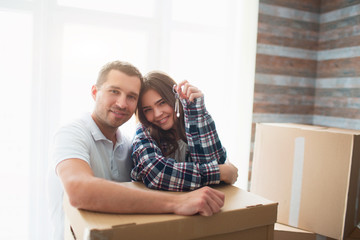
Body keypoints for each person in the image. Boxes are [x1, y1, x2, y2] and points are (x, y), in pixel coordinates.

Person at [47, 61, 226, 240]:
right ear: (95, 92)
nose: (122, 103)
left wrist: (196, 113)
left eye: (131, 96)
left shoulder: (126, 144)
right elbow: (79, 191)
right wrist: (179, 202)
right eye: (114, 91)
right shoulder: (72, 133)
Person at [131, 71, 238, 191]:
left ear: (175, 98)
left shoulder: (195, 120)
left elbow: (215, 164)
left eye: (162, 103)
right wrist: (219, 172)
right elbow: (157, 174)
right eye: (147, 110)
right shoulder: (143, 132)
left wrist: (196, 112)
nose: (157, 114)